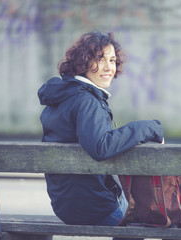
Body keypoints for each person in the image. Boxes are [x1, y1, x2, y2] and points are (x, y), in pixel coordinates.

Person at [38, 30, 164, 240]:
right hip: (93, 207)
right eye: (100, 59)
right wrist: (150, 128)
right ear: (83, 62)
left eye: (112, 60)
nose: (109, 67)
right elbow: (101, 146)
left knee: (134, 208)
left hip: (66, 204)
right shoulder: (86, 101)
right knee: (159, 221)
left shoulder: (62, 97)